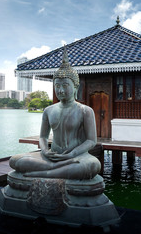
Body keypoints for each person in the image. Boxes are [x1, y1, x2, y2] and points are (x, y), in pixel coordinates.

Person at [9, 47, 101, 180]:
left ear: (76, 87)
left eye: (65, 85)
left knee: (93, 166)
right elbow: (43, 137)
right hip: (53, 155)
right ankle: (57, 169)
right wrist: (46, 151)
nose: (61, 90)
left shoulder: (85, 111)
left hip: (76, 156)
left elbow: (91, 141)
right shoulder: (49, 110)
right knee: (15, 160)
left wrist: (72, 154)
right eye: (57, 86)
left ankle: (47, 173)